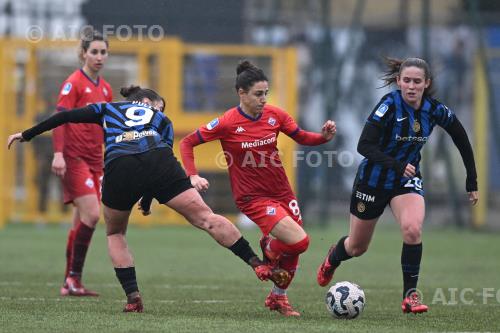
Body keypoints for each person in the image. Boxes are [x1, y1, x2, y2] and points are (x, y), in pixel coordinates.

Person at [7, 86, 289, 313]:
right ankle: (256, 262)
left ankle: (133, 298)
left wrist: (28, 134)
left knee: (115, 232)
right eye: (159, 105)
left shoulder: (107, 108)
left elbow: (65, 116)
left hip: (120, 164)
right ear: (146, 101)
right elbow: (156, 162)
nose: (160, 111)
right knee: (207, 218)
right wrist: (148, 195)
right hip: (159, 160)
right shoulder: (161, 120)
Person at [316, 57, 479, 314]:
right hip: (373, 181)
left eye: (417, 81)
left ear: (426, 83)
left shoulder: (434, 110)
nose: (411, 86)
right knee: (357, 247)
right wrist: (396, 164)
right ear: (398, 81)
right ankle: (333, 258)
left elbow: (461, 137)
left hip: (406, 180)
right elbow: (364, 146)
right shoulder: (388, 106)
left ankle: (409, 296)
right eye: (406, 80)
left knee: (413, 229)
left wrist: (472, 179)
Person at [179, 60, 336, 317]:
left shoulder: (276, 115)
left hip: (282, 191)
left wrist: (323, 138)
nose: (264, 99)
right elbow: (187, 143)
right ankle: (269, 248)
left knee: (294, 250)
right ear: (242, 93)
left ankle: (278, 298)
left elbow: (301, 137)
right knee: (301, 241)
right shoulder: (227, 122)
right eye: (258, 94)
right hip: (253, 198)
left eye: (266, 93)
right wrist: (192, 175)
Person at [51, 29, 113, 296]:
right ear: (84, 53)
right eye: (94, 52)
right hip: (74, 158)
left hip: (95, 159)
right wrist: (58, 154)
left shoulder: (106, 88)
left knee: (80, 222)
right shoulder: (73, 83)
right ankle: (73, 278)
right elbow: (59, 118)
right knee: (93, 215)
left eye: (103, 52)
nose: (99, 57)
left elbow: (107, 126)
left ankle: (70, 282)